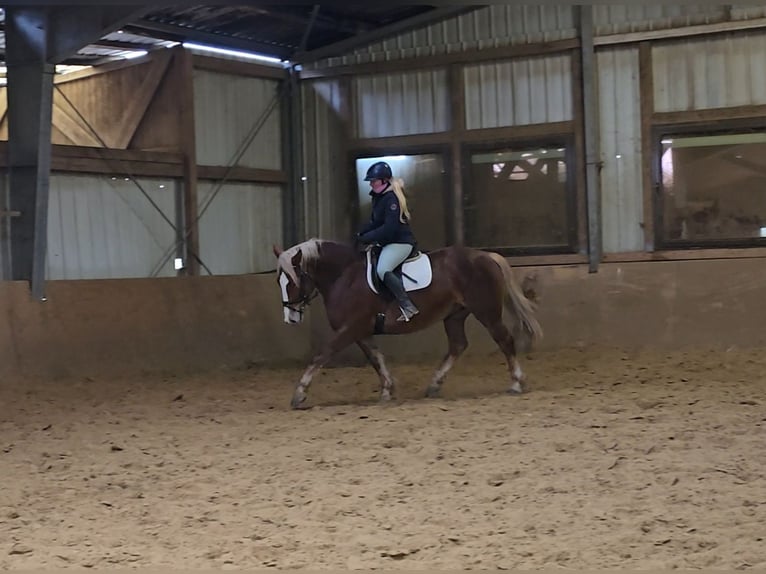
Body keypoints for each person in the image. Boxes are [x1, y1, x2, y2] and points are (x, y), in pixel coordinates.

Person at [356, 161, 419, 322]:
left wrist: (369, 237)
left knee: (383, 269)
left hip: (400, 242)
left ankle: (407, 305)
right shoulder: (379, 198)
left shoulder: (392, 199)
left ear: (384, 180)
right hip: (388, 242)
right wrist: (360, 232)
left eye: (374, 180)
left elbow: (390, 228)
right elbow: (375, 222)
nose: (371, 183)